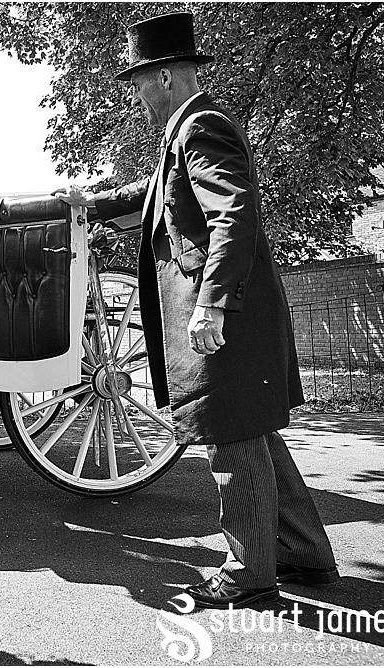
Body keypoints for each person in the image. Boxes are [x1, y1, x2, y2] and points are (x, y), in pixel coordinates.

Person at [55, 13, 337, 608]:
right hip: (238, 311)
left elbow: (232, 214)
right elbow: (150, 194)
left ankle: (246, 572)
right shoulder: (184, 132)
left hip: (221, 313)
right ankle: (303, 554)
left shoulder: (201, 125)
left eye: (138, 83)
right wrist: (92, 202)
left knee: (231, 442)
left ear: (164, 79)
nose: (135, 96)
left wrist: (210, 305)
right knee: (253, 432)